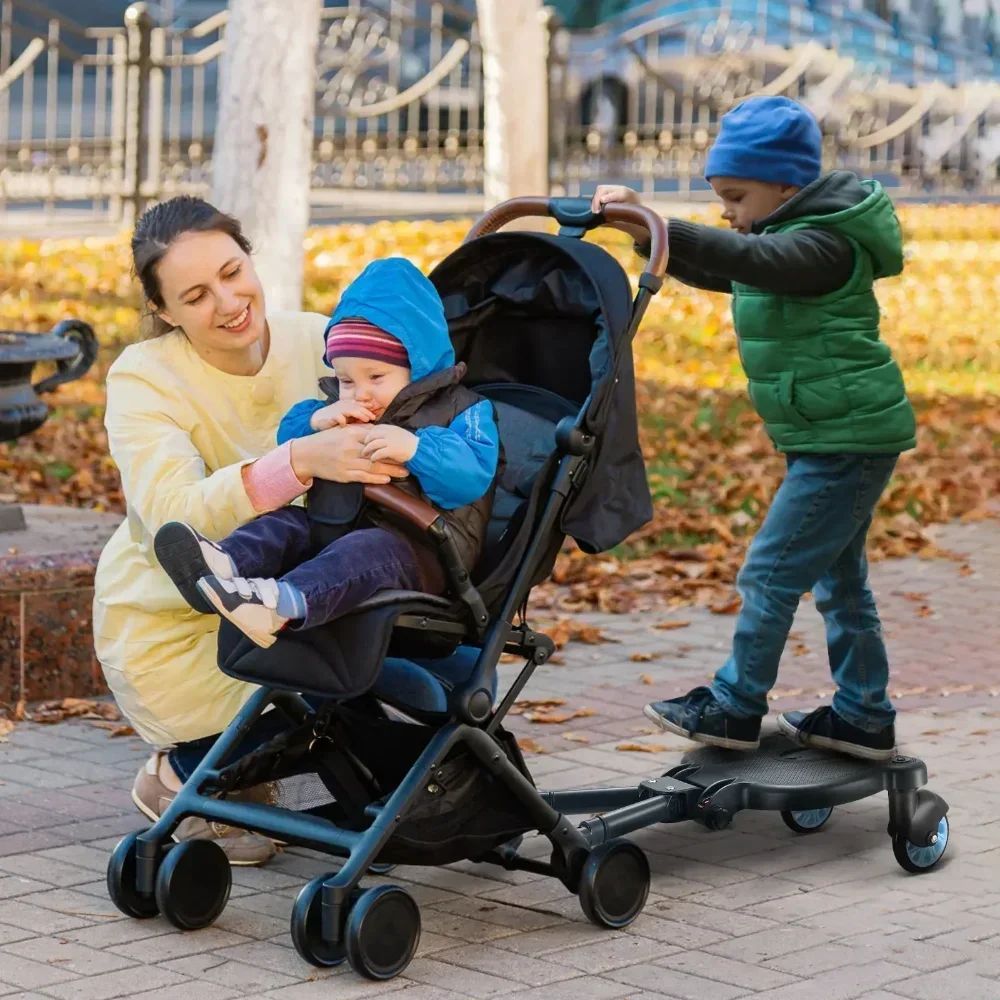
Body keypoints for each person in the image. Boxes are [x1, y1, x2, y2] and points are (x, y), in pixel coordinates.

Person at [94, 197, 417, 864]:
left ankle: (244, 775)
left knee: (424, 669)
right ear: (165, 313)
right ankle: (183, 775)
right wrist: (297, 461)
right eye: (195, 295)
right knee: (323, 720)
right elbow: (171, 511)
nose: (229, 302)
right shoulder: (143, 379)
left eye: (233, 271)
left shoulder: (320, 340)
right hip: (176, 618)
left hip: (302, 590)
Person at [592, 95, 915, 761]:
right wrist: (642, 233)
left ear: (786, 186)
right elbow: (724, 265)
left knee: (769, 571)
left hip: (848, 440)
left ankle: (736, 704)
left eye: (737, 198)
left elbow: (751, 262)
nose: (730, 215)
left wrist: (657, 220)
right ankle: (863, 714)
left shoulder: (825, 246)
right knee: (839, 581)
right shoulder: (782, 238)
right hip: (831, 436)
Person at [153, 257, 501, 649]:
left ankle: (281, 604)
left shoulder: (463, 410)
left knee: (363, 551)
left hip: (418, 551)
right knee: (285, 524)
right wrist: (317, 421)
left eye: (376, 377)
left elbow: (471, 475)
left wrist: (417, 449)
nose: (360, 391)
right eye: (346, 379)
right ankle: (222, 564)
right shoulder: (340, 404)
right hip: (335, 525)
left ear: (416, 370)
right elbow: (288, 434)